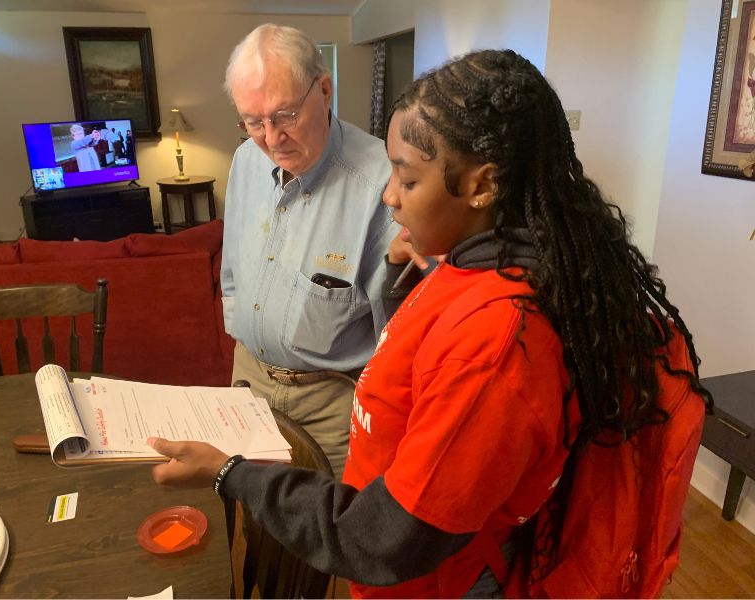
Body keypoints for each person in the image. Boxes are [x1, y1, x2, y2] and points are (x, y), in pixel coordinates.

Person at [148, 49, 712, 598]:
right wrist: (406, 268)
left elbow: (381, 538)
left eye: (407, 179)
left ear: (482, 186)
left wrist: (230, 473)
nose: (389, 197)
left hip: (448, 582)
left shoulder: (497, 346)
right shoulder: (470, 258)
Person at [219, 23, 399, 478]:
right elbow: (233, 265)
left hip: (332, 402)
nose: (271, 139)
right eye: (253, 122)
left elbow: (398, 336)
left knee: (331, 532)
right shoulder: (246, 160)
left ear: (324, 90)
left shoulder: (385, 185)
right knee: (250, 519)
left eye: (284, 115)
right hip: (248, 380)